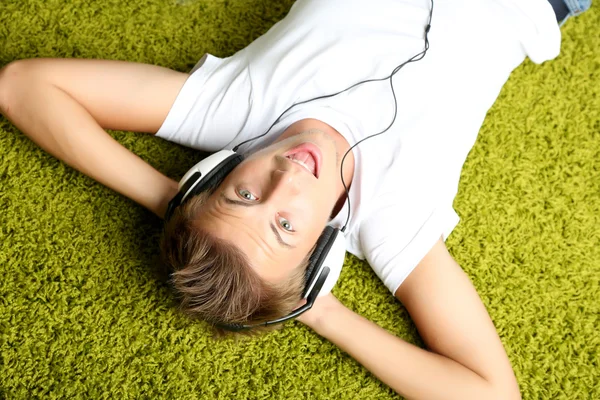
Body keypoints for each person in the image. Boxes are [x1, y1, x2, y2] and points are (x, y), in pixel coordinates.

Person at [0, 0, 590, 398]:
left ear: (215, 173)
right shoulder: (393, 220)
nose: (285, 180)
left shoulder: (228, 109)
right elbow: (492, 394)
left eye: (243, 193)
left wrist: (171, 200)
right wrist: (317, 310)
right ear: (320, 255)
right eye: (284, 226)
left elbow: (21, 86)